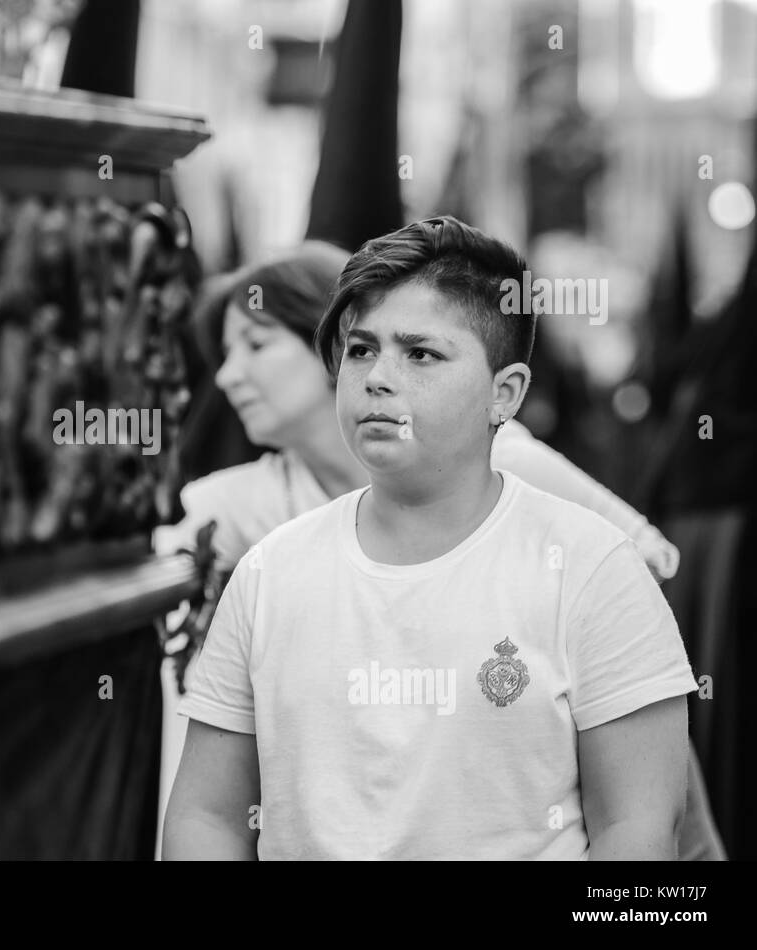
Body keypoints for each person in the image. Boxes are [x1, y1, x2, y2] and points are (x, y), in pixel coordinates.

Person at [159, 218, 705, 859]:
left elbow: (637, 831)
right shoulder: (266, 573)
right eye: (360, 350)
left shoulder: (589, 566)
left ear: (506, 393)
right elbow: (205, 815)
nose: (377, 377)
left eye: (420, 354)